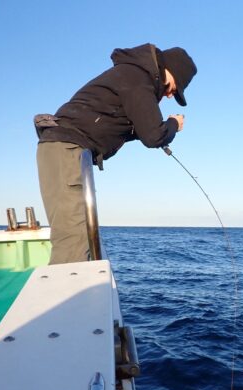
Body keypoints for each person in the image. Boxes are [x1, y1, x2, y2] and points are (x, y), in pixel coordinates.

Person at [36, 43, 197, 264]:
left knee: (78, 235)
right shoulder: (139, 77)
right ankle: (66, 285)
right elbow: (153, 136)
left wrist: (152, 129)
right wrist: (173, 124)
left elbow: (128, 125)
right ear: (171, 71)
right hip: (67, 150)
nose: (171, 95)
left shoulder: (132, 75)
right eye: (175, 89)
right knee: (73, 240)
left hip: (64, 150)